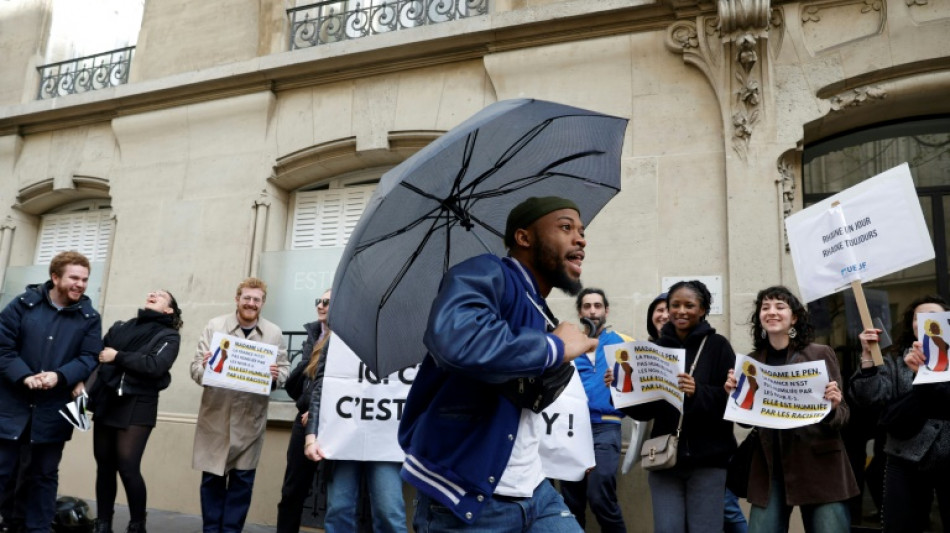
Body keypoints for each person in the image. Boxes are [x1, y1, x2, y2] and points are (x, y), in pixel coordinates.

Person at [398, 196, 598, 531]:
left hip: (535, 490)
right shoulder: (486, 272)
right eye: (566, 227)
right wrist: (553, 347)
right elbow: (456, 340)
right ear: (524, 238)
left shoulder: (535, 304)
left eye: (581, 230)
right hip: (467, 496)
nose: (581, 239)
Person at [725, 285, 857, 532]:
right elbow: (746, 421)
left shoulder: (819, 354)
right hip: (770, 468)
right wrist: (736, 397)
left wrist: (832, 407)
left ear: (794, 317)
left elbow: (843, 416)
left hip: (820, 466)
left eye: (780, 306)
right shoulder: (752, 361)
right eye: (765, 307)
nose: (771, 312)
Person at [0, 251, 102, 533]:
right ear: (55, 277)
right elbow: (3, 348)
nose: (80, 284)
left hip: (53, 411)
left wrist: (60, 376)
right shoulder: (22, 306)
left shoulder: (89, 317)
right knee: (3, 470)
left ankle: (39, 529)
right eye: (74, 277)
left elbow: (90, 357)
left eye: (84, 279)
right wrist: (24, 376)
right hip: (11, 406)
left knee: (44, 475)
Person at [622, 280, 737, 533]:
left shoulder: (718, 346)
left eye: (689, 305)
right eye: (675, 305)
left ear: (703, 309)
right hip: (664, 460)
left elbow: (732, 403)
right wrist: (620, 389)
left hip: (708, 461)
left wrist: (697, 392)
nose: (680, 311)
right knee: (667, 529)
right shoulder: (655, 349)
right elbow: (645, 411)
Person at [190, 278, 289, 533]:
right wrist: (207, 368)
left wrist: (277, 376)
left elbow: (285, 370)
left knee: (242, 485)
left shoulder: (274, 333)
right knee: (212, 481)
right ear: (237, 299)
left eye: (257, 300)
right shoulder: (215, 326)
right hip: (216, 418)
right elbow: (194, 369)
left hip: (250, 421)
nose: (251, 303)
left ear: (262, 303)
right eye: (247, 298)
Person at [850, 295, 950, 532]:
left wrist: (925, 378)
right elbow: (869, 397)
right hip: (905, 460)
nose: (925, 322)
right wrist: (867, 357)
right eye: (918, 317)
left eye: (933, 317)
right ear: (912, 324)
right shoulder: (895, 361)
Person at [88, 290, 183, 533]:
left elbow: (154, 365)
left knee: (128, 467)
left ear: (169, 310)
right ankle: (103, 523)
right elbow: (99, 355)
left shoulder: (169, 336)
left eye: (161, 296)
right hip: (107, 399)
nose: (153, 294)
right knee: (105, 466)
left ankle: (137, 524)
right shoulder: (122, 327)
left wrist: (117, 356)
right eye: (152, 292)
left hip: (139, 403)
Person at [303, 319, 408, 533]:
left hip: (386, 441)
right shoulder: (338, 340)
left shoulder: (402, 341)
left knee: (389, 512)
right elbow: (321, 387)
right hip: (343, 437)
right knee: (339, 508)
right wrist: (310, 436)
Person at [559, 288, 628, 532]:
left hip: (606, 426)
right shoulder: (567, 343)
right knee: (571, 501)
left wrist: (619, 383)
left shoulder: (621, 343)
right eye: (587, 306)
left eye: (597, 306)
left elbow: (637, 390)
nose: (592, 311)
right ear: (580, 312)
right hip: (571, 429)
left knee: (600, 495)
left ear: (606, 311)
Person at [275, 290, 330, 533]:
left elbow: (338, 381)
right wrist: (305, 404)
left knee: (339, 493)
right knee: (292, 489)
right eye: (318, 300)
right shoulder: (314, 334)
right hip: (304, 419)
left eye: (327, 302)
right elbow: (307, 378)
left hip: (332, 421)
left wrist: (320, 411)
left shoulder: (347, 337)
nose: (320, 305)